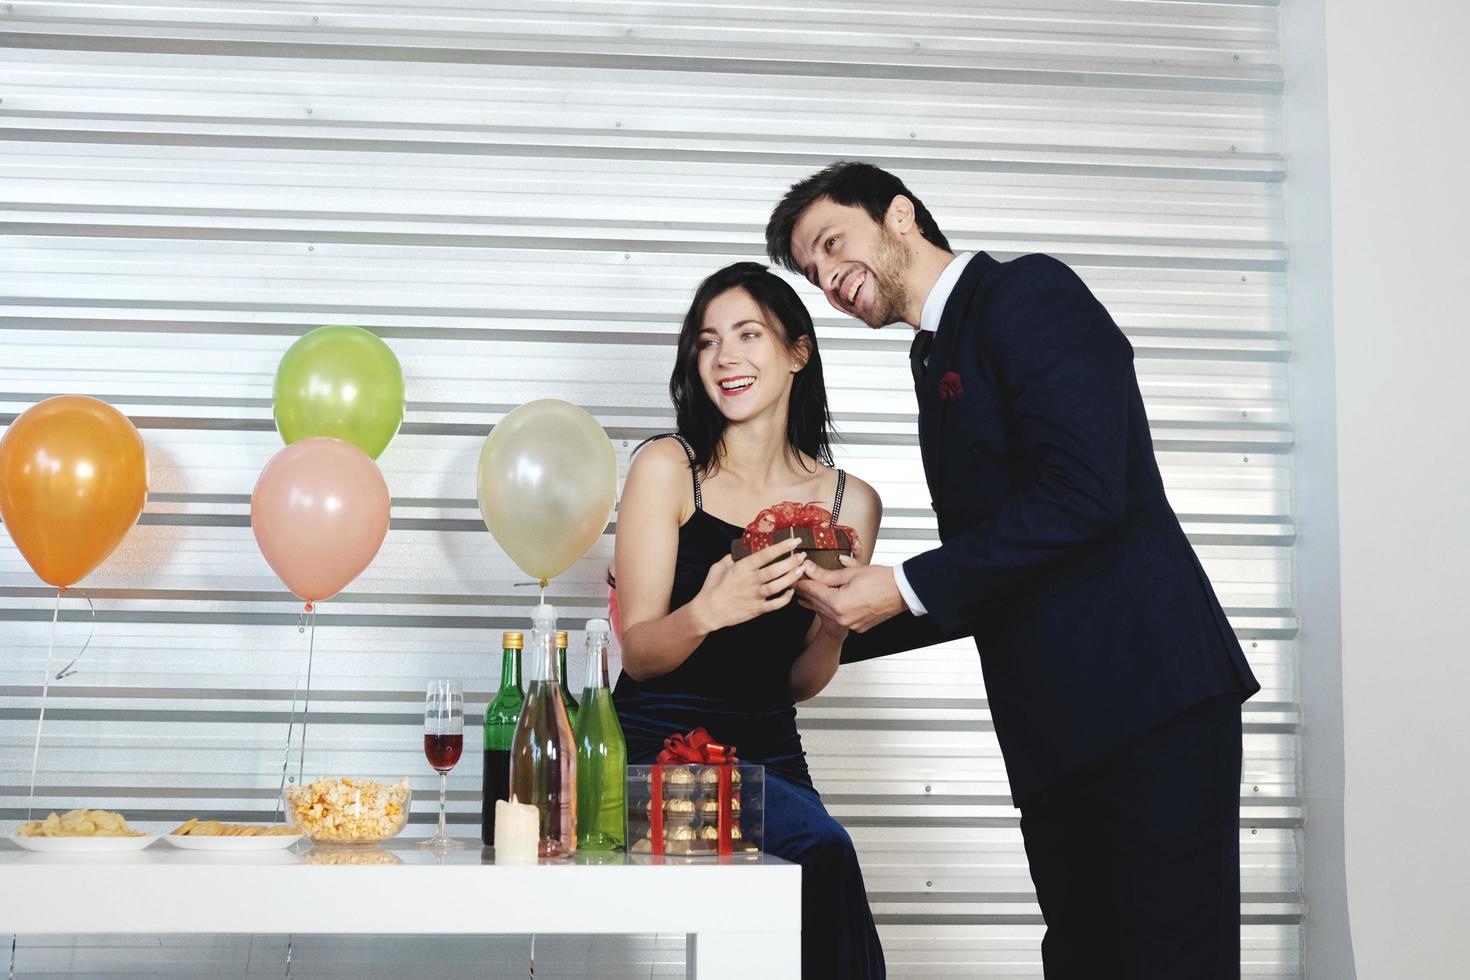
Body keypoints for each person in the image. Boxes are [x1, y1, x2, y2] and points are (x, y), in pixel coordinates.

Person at [765, 161, 1261, 979]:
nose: (829, 280)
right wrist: (806, 625)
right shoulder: (932, 360)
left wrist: (900, 584)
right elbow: (991, 569)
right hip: (1054, 730)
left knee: (1175, 961)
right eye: (814, 274)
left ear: (898, 215)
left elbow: (1087, 493)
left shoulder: (1027, 293)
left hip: (1149, 702)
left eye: (831, 245)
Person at [610, 261, 887, 978]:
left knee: (807, 887)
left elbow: (798, 682)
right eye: (707, 341)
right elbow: (639, 654)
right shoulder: (669, 468)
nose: (724, 357)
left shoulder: (848, 505)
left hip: (772, 752)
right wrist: (707, 609)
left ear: (798, 351)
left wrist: (833, 627)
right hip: (656, 750)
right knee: (825, 852)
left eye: (747, 334)